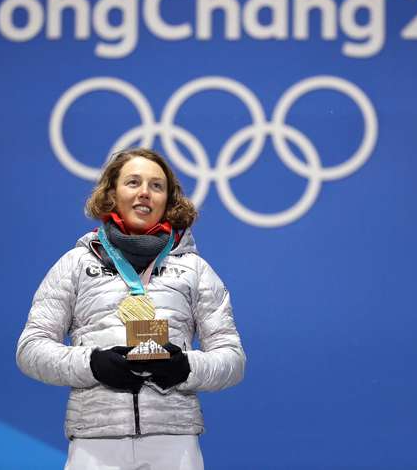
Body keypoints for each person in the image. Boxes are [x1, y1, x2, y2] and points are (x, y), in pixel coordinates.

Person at [16, 148, 246, 470]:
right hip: (95, 440)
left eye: (156, 185)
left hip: (174, 440)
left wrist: (185, 368)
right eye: (133, 182)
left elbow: (232, 358)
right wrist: (92, 364)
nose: (144, 193)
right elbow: (31, 349)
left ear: (169, 199)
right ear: (112, 193)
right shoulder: (75, 265)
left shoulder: (195, 270)